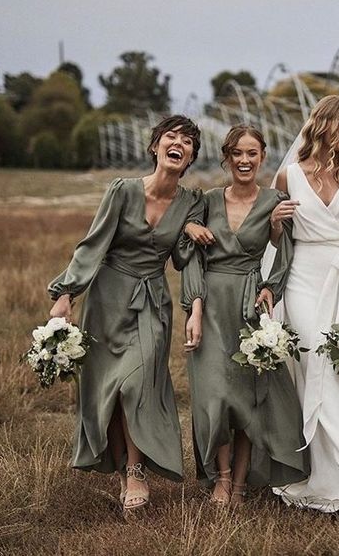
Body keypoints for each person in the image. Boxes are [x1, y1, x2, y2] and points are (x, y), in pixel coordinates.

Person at [48, 115, 204, 514]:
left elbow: (187, 261)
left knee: (136, 384)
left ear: (189, 158)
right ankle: (124, 472)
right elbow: (93, 244)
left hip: (152, 301)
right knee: (110, 390)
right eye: (171, 137)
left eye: (187, 142)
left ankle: (137, 471)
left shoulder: (191, 203)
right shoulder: (122, 191)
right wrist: (66, 294)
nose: (178, 144)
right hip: (107, 299)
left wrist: (190, 232)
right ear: (155, 147)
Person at [182, 125, 309, 506]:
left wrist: (271, 288)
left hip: (250, 304)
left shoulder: (274, 200)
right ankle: (220, 476)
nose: (244, 160)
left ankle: (237, 484)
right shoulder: (205, 201)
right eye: (237, 153)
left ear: (262, 157)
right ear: (226, 157)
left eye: (252, 153)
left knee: (246, 398)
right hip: (210, 304)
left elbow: (285, 251)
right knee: (215, 396)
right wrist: (194, 306)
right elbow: (186, 254)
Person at [267, 95, 339, 513]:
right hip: (302, 279)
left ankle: (326, 471)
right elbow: (276, 240)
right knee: (315, 358)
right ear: (323, 123)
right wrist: (275, 225)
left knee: (335, 370)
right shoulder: (288, 176)